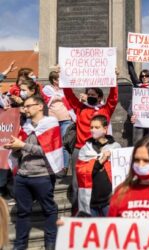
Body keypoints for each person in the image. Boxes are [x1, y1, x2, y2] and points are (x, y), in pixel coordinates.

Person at [4, 96, 64, 250]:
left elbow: (48, 151)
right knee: (23, 212)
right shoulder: (26, 127)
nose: (25, 109)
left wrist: (23, 145)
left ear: (39, 106)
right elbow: (21, 152)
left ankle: (51, 243)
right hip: (23, 176)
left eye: (28, 106)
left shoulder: (50, 124)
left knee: (49, 210)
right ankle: (20, 245)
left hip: (42, 176)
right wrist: (15, 149)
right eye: (24, 106)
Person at [63, 82, 118, 214]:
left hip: (100, 151)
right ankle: (77, 212)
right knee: (77, 185)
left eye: (93, 95)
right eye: (88, 94)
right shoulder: (80, 108)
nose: (89, 96)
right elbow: (69, 96)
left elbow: (113, 98)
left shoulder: (105, 109)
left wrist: (114, 80)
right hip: (80, 150)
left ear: (99, 97)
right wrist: (63, 79)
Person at [76, 115, 120, 216]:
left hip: (109, 200)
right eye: (91, 127)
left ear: (105, 129)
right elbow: (81, 172)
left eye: (96, 127)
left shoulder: (116, 147)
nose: (93, 130)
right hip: (91, 200)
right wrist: (101, 161)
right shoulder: (85, 149)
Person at [43, 71, 75, 177]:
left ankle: (64, 168)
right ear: (54, 80)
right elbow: (46, 101)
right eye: (59, 78)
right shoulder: (47, 89)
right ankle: (53, 167)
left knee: (64, 143)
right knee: (53, 144)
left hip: (66, 119)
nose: (61, 80)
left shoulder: (66, 90)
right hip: (52, 121)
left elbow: (70, 101)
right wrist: (55, 97)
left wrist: (59, 96)